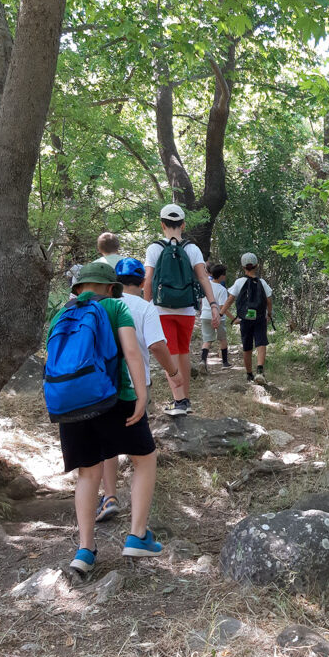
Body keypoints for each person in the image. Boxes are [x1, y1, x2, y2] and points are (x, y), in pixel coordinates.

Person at [46, 263, 164, 575]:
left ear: (78, 289)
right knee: (144, 459)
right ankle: (137, 535)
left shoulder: (61, 314)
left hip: (71, 404)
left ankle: (85, 550)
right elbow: (132, 353)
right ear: (112, 288)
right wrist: (142, 395)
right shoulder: (115, 306)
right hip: (115, 399)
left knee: (88, 473)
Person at [95, 258, 185, 523]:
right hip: (136, 384)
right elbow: (157, 345)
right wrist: (174, 373)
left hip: (102, 385)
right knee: (141, 451)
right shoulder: (145, 308)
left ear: (114, 282)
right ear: (144, 282)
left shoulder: (102, 305)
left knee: (107, 443)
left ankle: (109, 496)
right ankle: (139, 513)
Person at [143, 204, 219, 416]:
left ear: (162, 225)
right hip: (186, 309)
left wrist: (145, 305)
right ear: (183, 225)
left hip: (161, 309)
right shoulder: (192, 249)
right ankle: (185, 399)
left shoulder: (154, 248)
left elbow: (148, 279)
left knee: (172, 353)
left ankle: (179, 402)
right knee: (183, 352)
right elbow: (203, 277)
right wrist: (213, 305)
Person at [222, 252, 272, 385]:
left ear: (243, 266)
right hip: (260, 317)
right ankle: (260, 371)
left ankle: (249, 375)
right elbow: (268, 300)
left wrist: (221, 313)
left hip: (245, 319)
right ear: (256, 265)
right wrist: (269, 314)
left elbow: (230, 299)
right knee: (261, 342)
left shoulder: (239, 282)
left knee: (247, 346)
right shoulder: (262, 282)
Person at [200, 261, 230, 369]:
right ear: (221, 276)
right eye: (224, 274)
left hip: (205, 315)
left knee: (207, 340)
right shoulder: (222, 290)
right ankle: (225, 363)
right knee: (222, 338)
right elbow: (223, 308)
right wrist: (233, 318)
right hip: (218, 317)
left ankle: (203, 361)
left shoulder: (206, 286)